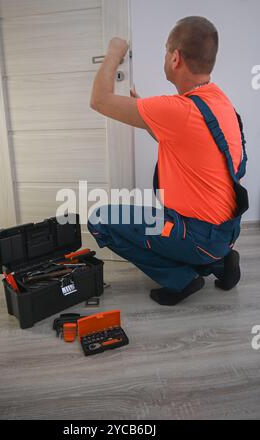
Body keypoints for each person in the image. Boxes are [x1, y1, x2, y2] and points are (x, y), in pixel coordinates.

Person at [88, 16, 248, 306]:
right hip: (225, 231)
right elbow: (182, 140)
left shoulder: (176, 111)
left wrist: (114, 51)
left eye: (165, 51)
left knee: (100, 220)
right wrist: (152, 117)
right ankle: (219, 263)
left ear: (175, 58)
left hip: (195, 234)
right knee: (155, 223)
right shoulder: (218, 101)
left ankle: (182, 280)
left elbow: (99, 100)